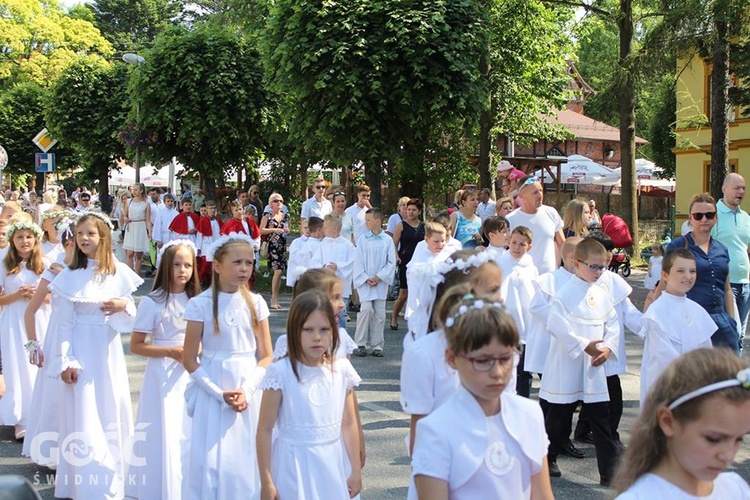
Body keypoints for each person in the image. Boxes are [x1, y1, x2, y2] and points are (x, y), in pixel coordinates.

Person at [412, 295, 553, 500]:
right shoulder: (435, 429)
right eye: (482, 360)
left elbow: (542, 495)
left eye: (505, 358)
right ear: (452, 358)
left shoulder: (529, 413)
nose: (497, 372)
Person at [50, 212, 143, 499]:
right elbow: (63, 326)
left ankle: (113, 479)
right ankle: (84, 483)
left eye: (90, 233)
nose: (84, 239)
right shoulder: (68, 277)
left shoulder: (116, 271)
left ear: (103, 237)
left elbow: (132, 320)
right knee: (84, 414)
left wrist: (123, 306)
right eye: (80, 234)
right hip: (80, 351)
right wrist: (66, 360)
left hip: (107, 352)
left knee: (110, 409)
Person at [182, 234, 273, 498]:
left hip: (248, 386)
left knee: (245, 456)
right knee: (211, 459)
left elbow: (266, 355)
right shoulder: (199, 304)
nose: (244, 268)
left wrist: (248, 389)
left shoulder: (256, 303)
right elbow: (189, 359)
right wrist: (218, 394)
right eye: (237, 262)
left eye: (249, 262)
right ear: (218, 266)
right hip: (213, 387)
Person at [257, 290, 362, 500]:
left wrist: (356, 470)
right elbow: (265, 429)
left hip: (331, 467)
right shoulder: (280, 372)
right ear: (294, 331)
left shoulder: (341, 370)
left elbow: (349, 423)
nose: (317, 337)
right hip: (291, 466)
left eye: (324, 330)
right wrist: (266, 480)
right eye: (308, 330)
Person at [613, 348, 750, 498]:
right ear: (668, 422)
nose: (728, 456)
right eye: (713, 439)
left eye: (738, 439)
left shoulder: (735, 488)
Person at [540, 238, 620, 484]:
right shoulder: (565, 293)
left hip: (593, 365)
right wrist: (583, 345)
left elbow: (613, 324)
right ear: (576, 263)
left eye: (602, 267)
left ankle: (609, 471)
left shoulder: (601, 293)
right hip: (567, 362)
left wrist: (607, 348)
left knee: (601, 419)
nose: (598, 272)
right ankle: (546, 460)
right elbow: (555, 324)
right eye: (593, 267)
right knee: (559, 417)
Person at [127, 240, 201, 499]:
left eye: (188, 265)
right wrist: (170, 351)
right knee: (165, 429)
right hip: (163, 374)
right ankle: (160, 486)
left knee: (188, 429)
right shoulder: (153, 302)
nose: (183, 270)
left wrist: (196, 349)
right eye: (177, 264)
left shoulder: (198, 301)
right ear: (166, 266)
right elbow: (137, 346)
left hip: (191, 372)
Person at [21, 216, 76, 467]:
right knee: (55, 393)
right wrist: (33, 345)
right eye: (72, 243)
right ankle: (53, 451)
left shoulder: (89, 270)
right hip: (58, 334)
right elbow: (30, 310)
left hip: (83, 335)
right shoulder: (54, 268)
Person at [638, 249, 716, 404]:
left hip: (695, 386)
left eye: (692, 271)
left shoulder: (697, 310)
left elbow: (706, 349)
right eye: (681, 271)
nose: (688, 276)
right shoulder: (657, 311)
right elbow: (663, 354)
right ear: (665, 275)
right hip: (665, 385)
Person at [664, 193, 738, 353]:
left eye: (709, 215)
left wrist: (731, 321)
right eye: (698, 216)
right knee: (694, 373)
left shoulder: (722, 249)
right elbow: (663, 283)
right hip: (689, 320)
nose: (704, 219)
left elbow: (727, 289)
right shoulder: (678, 246)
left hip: (720, 323)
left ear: (715, 218)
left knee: (727, 374)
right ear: (690, 219)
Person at [0, 221, 49, 440]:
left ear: (36, 239)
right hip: (13, 320)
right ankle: (22, 418)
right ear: (12, 240)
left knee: (40, 365)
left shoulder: (46, 264)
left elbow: (56, 297)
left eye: (28, 237)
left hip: (41, 318)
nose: (24, 241)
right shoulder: (5, 263)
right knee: (17, 366)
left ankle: (42, 415)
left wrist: (38, 297)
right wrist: (17, 296)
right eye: (19, 237)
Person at [498, 226, 539, 398]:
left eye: (522, 244)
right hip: (505, 324)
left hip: (526, 325)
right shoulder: (500, 263)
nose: (516, 247)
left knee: (523, 370)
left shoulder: (531, 267)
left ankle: (523, 402)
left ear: (529, 247)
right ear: (508, 242)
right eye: (513, 242)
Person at [712, 172, 750, 351]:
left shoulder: (746, 218)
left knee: (740, 335)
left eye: (743, 188)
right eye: (737, 188)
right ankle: (727, 374)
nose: (740, 192)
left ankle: (736, 374)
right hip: (724, 285)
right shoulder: (712, 215)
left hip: (745, 284)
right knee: (732, 331)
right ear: (724, 189)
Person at [353, 208, 397, 357]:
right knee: (366, 310)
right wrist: (366, 278)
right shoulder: (363, 239)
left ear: (378, 221)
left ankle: (377, 345)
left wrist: (379, 277)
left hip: (380, 282)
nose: (366, 223)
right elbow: (358, 261)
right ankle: (360, 343)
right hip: (366, 282)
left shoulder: (387, 240)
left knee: (379, 313)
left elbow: (391, 262)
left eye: (368, 220)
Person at [506, 176, 565, 275]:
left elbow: (563, 244)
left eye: (541, 190)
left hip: (549, 278)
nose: (540, 195)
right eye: (535, 192)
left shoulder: (551, 212)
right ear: (522, 195)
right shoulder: (510, 219)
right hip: (523, 278)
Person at [309, 214, 355, 328]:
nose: (323, 230)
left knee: (341, 313)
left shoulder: (347, 245)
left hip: (341, 285)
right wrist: (322, 268)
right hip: (326, 284)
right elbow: (315, 260)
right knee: (326, 312)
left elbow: (353, 262)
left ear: (334, 228)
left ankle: (342, 336)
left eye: (325, 227)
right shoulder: (324, 243)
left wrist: (338, 266)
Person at [391, 198, 425, 329]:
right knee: (404, 293)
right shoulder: (401, 225)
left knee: (419, 292)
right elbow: (393, 243)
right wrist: (396, 256)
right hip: (405, 261)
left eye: (413, 210)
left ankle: (418, 320)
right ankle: (394, 317)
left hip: (419, 262)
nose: (410, 212)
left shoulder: (424, 227)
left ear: (419, 211)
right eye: (408, 209)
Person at [260, 193, 290, 309]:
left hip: (282, 246)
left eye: (281, 201)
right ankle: (273, 298)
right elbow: (261, 230)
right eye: (276, 201)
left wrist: (286, 230)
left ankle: (276, 297)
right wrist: (274, 229)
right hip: (273, 246)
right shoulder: (267, 216)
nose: (279, 203)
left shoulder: (285, 216)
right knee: (277, 271)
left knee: (280, 271)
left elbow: (288, 228)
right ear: (270, 203)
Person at [122, 182, 152, 274]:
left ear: (141, 191)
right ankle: (129, 275)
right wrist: (125, 218)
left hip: (141, 227)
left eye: (136, 190)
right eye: (133, 190)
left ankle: (137, 275)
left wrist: (149, 232)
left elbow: (147, 219)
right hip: (131, 226)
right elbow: (125, 215)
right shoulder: (128, 201)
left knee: (138, 254)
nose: (134, 192)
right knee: (129, 253)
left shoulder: (146, 204)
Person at [196, 201, 223, 286]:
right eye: (210, 208)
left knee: (216, 263)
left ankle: (215, 281)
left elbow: (222, 233)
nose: (212, 210)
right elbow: (199, 235)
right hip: (206, 245)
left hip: (216, 244)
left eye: (214, 208)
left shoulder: (218, 220)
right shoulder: (203, 220)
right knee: (206, 264)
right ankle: (204, 280)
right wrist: (198, 248)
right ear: (207, 209)